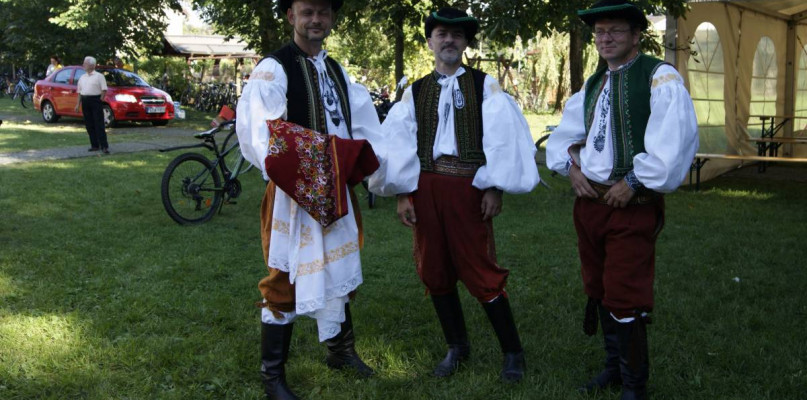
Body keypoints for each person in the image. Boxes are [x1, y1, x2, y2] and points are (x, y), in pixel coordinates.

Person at [368, 7, 540, 383]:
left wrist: (493, 185)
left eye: (457, 35)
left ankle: (513, 353)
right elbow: (399, 143)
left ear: (465, 43)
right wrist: (402, 193)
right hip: (426, 187)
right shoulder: (415, 91)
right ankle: (457, 347)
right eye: (442, 34)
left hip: (468, 188)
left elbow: (501, 138)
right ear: (430, 42)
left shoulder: (484, 85)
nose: (449, 40)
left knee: (480, 268)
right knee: (434, 267)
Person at [545, 1, 699, 398]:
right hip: (590, 207)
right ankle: (614, 367)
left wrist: (633, 181)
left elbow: (673, 145)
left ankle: (634, 385)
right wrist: (571, 169)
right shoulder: (594, 83)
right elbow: (564, 138)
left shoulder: (659, 77)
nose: (605, 38)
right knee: (598, 286)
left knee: (624, 292)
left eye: (615, 30)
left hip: (631, 208)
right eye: (600, 32)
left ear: (635, 36)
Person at [235, 0, 386, 398]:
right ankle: (272, 377)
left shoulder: (336, 70)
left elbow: (358, 127)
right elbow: (264, 136)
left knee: (340, 267)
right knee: (283, 280)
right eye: (307, 11)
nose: (315, 19)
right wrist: (313, 172)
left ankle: (340, 351)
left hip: (336, 189)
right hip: (292, 195)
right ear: (291, 16)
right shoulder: (274, 68)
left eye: (323, 11)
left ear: (332, 18)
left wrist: (364, 166)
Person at [74, 56, 109, 154]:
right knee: (89, 124)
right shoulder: (82, 77)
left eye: (85, 63)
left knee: (99, 124)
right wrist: (77, 104)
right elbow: (79, 92)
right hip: (85, 100)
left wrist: (100, 100)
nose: (83, 65)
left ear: (92, 65)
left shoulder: (99, 76)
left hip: (95, 100)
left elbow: (104, 89)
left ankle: (104, 146)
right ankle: (94, 145)